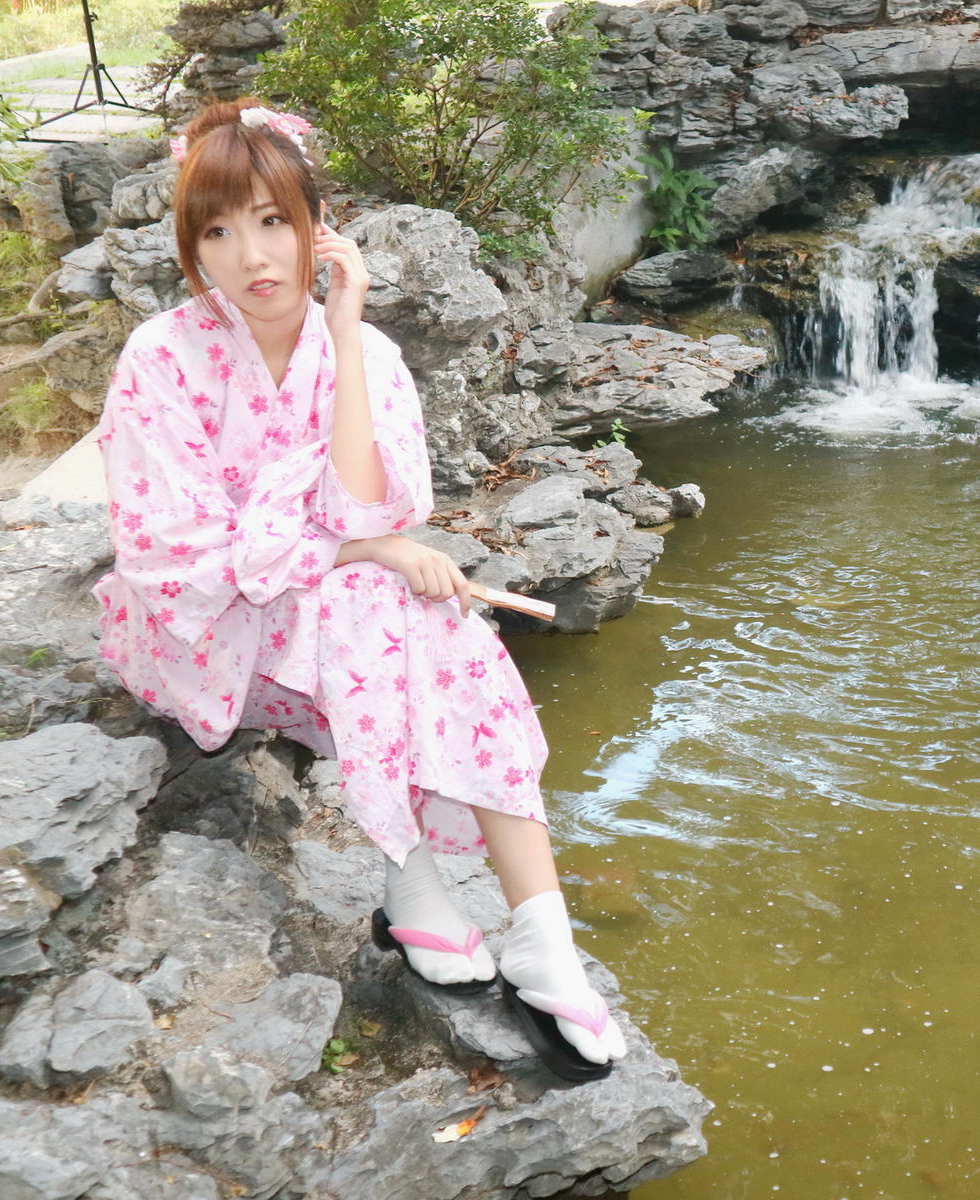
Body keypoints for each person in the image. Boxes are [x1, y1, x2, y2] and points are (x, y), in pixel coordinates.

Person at [89, 97, 628, 1078]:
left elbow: (371, 504)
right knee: (380, 594)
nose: (252, 257)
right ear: (190, 246)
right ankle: (417, 889)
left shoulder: (364, 353)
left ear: (316, 226)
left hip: (323, 625)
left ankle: (541, 936)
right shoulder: (161, 358)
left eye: (272, 222)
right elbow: (175, 558)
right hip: (204, 639)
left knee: (433, 619)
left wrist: (342, 339)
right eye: (218, 232)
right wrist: (361, 554)